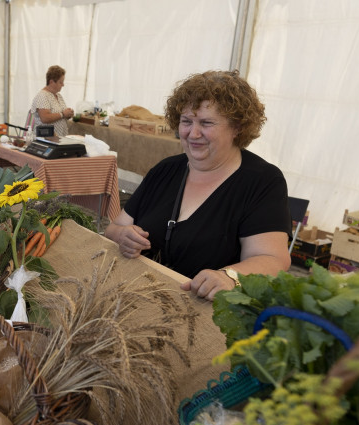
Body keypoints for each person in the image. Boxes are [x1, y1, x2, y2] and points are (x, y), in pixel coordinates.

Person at [104, 70, 291, 301]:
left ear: (237, 127)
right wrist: (123, 236)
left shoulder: (262, 181)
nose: (193, 133)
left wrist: (230, 276)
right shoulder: (165, 170)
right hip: (138, 302)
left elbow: (273, 259)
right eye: (186, 121)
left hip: (207, 318)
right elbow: (113, 229)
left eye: (206, 123)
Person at [30, 65, 75, 137]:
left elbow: (61, 114)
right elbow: (45, 118)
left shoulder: (58, 96)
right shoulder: (43, 96)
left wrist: (68, 114)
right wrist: (63, 114)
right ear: (51, 82)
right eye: (61, 82)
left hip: (59, 139)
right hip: (47, 140)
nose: (63, 85)